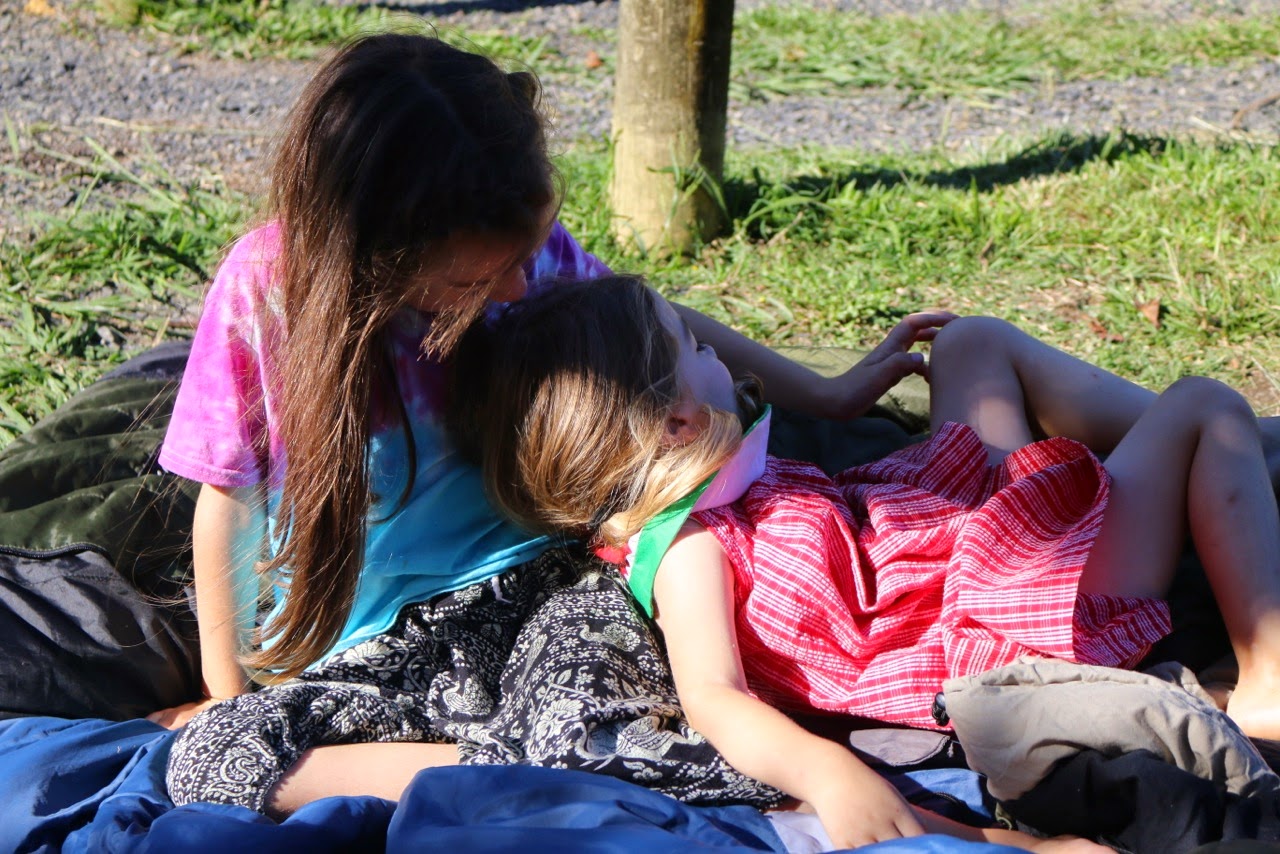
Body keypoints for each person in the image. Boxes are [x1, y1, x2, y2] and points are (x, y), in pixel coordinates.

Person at [154, 31, 912, 818]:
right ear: (383, 250)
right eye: (476, 281)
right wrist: (225, 694)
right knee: (207, 759)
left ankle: (532, 767)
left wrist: (825, 394)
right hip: (370, 653)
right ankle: (532, 766)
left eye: (524, 257)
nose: (520, 287)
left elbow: (649, 324)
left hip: (546, 591)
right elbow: (229, 500)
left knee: (592, 726)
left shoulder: (514, 239)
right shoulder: (264, 294)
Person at [448, 274, 1280, 850]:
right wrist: (830, 775)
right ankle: (1266, 674)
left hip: (942, 542)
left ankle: (1205, 468)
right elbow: (713, 696)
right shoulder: (688, 547)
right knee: (1205, 406)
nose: (721, 359)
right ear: (675, 423)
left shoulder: (708, 477)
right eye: (694, 348)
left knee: (972, 344)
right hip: (1004, 607)